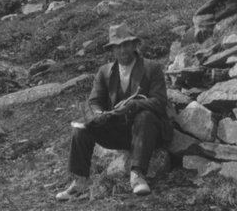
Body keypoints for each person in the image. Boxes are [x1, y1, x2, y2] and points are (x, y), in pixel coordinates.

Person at [56, 23, 172, 200]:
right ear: (112, 50)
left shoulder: (152, 68)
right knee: (81, 128)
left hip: (147, 133)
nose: (122, 50)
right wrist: (97, 115)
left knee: (145, 115)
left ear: (135, 45)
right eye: (117, 47)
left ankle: (137, 174)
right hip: (118, 131)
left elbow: (160, 102)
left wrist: (134, 105)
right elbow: (93, 101)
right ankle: (80, 180)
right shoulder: (105, 72)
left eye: (126, 45)